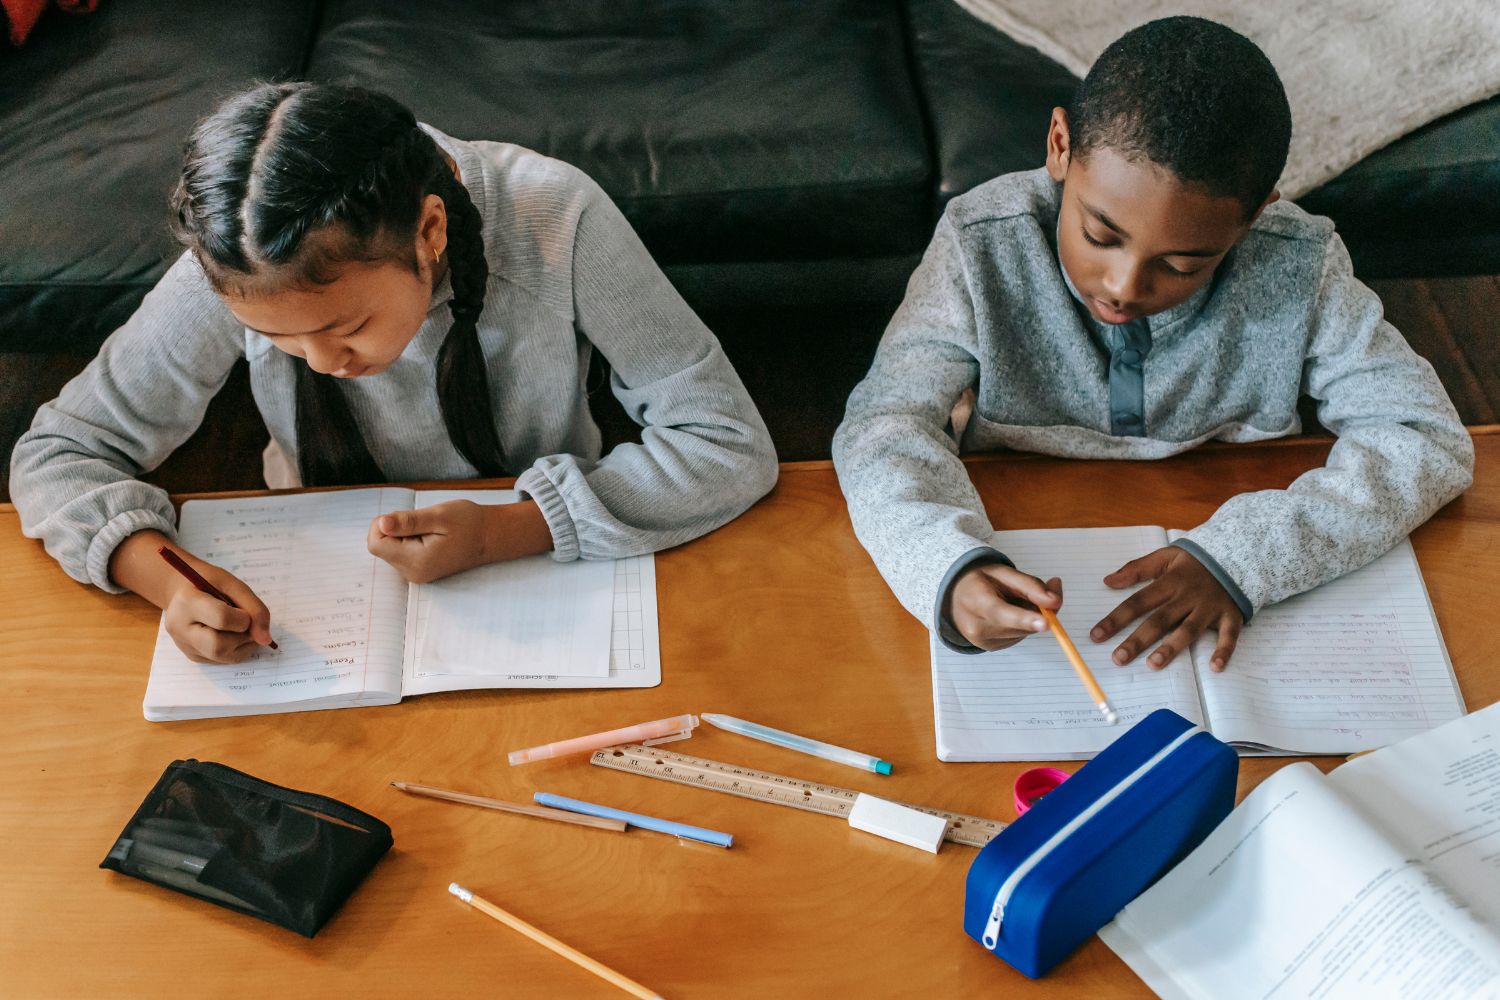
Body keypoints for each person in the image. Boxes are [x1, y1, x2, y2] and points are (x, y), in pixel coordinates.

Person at [11, 82, 777, 664]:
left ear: (431, 231)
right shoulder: (243, 259)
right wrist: (162, 577)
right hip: (315, 591)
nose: (322, 366)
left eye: (345, 328)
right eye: (275, 339)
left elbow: (725, 440)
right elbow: (61, 453)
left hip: (545, 565)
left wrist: (515, 528)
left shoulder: (556, 217)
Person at [833, 16, 1472, 672]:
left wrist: (1244, 559)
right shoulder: (979, 243)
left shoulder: (1298, 262)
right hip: (1020, 510)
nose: (1123, 286)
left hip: (1229, 512)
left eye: (1184, 264)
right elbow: (883, 426)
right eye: (1101, 235)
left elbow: (1425, 436)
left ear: (1251, 219)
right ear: (1060, 145)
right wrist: (947, 565)